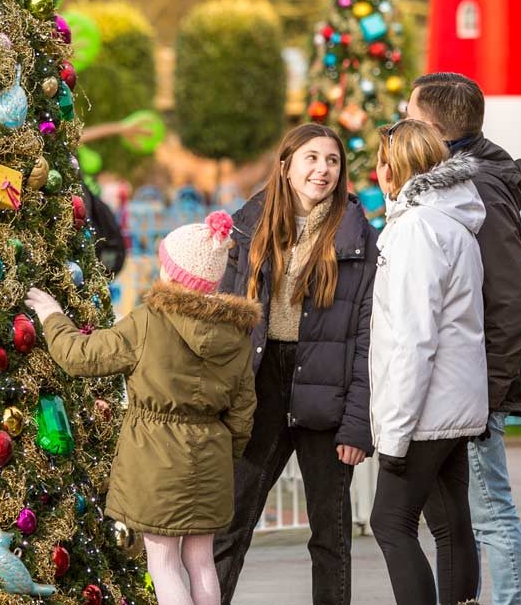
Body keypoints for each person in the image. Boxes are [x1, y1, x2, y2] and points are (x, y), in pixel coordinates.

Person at [24, 211, 259, 605]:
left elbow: (81, 356)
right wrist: (227, 453)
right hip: (211, 457)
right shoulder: (236, 333)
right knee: (201, 560)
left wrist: (52, 316)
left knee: (163, 561)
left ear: (172, 274)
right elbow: (243, 409)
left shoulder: (149, 321)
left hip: (157, 457)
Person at [212, 123, 378, 605]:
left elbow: (367, 338)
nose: (322, 169)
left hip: (327, 388)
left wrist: (355, 425)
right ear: (286, 165)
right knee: (231, 522)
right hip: (262, 383)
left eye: (331, 160)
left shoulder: (357, 238)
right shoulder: (250, 225)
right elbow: (225, 315)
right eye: (311, 158)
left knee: (330, 536)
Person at [407, 72, 521, 605]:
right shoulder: (467, 177)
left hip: (476, 385)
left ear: (434, 129)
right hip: (464, 382)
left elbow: (512, 298)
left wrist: (488, 389)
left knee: (490, 512)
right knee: (464, 515)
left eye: (410, 119)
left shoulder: (478, 187)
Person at [368, 119, 487, 605]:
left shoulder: (416, 229)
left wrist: (394, 432)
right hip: (452, 406)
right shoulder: (450, 222)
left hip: (424, 411)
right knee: (448, 522)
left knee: (390, 523)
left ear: (392, 169)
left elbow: (414, 338)